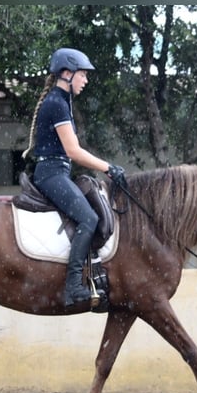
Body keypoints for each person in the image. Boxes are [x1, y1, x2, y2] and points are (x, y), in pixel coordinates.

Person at [24, 47, 126, 306]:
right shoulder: (57, 103)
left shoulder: (62, 101)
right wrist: (108, 167)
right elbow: (73, 151)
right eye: (83, 75)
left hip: (59, 171)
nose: (86, 80)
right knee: (89, 218)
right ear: (67, 74)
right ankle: (73, 286)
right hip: (51, 174)